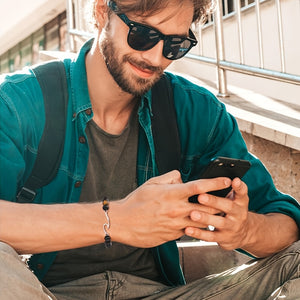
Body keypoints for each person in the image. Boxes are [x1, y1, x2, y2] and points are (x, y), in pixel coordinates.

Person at [0, 0, 299, 299]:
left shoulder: (194, 111)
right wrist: (116, 220)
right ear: (102, 11)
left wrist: (245, 230)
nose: (156, 58)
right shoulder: (20, 102)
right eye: (143, 36)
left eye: (175, 45)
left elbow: (285, 222)